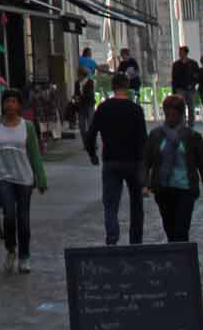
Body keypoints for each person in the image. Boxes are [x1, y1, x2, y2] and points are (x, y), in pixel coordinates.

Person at [0, 87, 47, 274]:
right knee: (9, 216)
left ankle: (24, 256)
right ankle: (11, 249)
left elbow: (35, 155)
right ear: (3, 104)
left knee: (24, 220)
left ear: (19, 105)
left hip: (24, 179)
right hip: (4, 178)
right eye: (7, 101)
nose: (10, 105)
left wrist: (41, 178)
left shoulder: (26, 126)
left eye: (14, 101)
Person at [86, 67, 148, 247]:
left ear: (113, 87)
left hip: (111, 160)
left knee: (110, 203)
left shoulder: (103, 108)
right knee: (136, 203)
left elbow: (91, 134)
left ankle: (112, 237)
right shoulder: (136, 110)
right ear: (127, 86)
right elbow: (143, 138)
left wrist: (93, 154)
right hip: (133, 160)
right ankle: (136, 241)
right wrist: (146, 163)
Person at [145, 94, 203, 241]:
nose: (170, 117)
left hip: (185, 189)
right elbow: (146, 161)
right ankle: (174, 260)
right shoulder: (156, 135)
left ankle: (182, 260)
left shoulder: (192, 136)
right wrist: (144, 184)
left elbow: (201, 163)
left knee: (181, 231)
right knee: (170, 230)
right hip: (163, 189)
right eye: (168, 113)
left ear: (181, 114)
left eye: (174, 114)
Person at [171, 45, 201, 127]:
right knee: (181, 108)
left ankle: (191, 125)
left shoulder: (193, 63)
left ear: (186, 53)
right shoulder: (176, 64)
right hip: (180, 89)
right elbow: (173, 78)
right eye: (179, 52)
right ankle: (182, 125)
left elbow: (197, 76)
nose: (180, 54)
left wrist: (193, 84)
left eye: (181, 52)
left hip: (190, 89)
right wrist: (174, 90)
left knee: (191, 108)